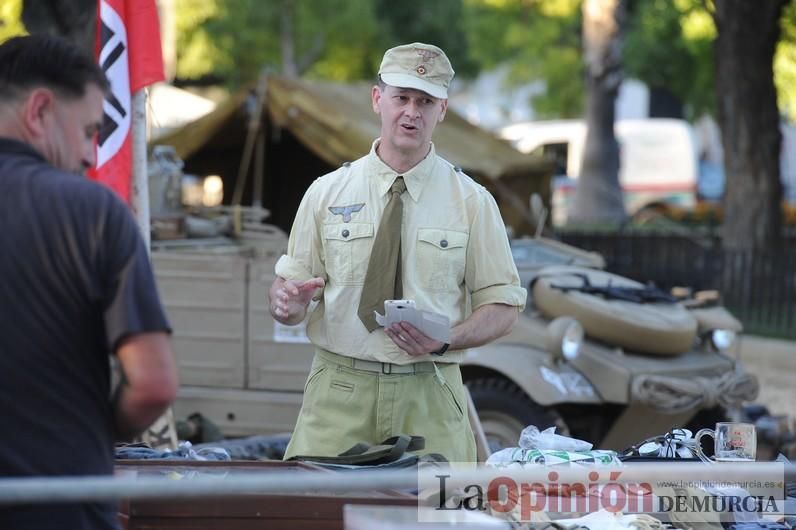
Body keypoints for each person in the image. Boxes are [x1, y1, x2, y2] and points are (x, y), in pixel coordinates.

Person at [270, 42, 526, 463]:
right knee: (316, 514)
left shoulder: (473, 202)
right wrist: (285, 302)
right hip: (339, 390)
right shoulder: (326, 193)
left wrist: (447, 339)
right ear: (377, 100)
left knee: (440, 518)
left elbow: (504, 306)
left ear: (442, 109)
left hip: (429, 391)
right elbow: (291, 295)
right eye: (401, 97)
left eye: (425, 101)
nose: (412, 112)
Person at [0, 34, 178, 529]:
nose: (90, 155)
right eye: (88, 131)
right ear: (38, 111)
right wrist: (94, 431)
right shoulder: (92, 212)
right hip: (60, 503)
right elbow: (154, 384)